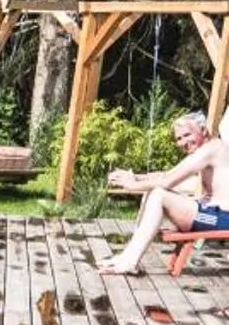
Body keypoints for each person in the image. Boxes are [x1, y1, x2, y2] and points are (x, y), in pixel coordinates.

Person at [96, 111, 229, 276]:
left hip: (223, 219)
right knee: (153, 192)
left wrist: (131, 185)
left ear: (203, 130)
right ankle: (127, 255)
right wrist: (136, 177)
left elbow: (168, 180)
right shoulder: (206, 152)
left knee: (159, 195)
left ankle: (129, 261)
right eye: (179, 139)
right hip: (212, 214)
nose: (183, 142)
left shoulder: (213, 148)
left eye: (187, 135)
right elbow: (167, 174)